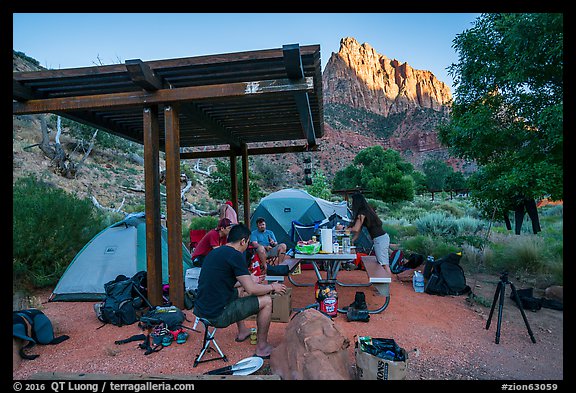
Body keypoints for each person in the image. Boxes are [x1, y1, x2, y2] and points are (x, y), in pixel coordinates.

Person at [194, 223, 287, 358]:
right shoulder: (236, 255)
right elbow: (252, 290)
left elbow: (225, 280)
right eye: (247, 242)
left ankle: (242, 331)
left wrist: (250, 280)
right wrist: (273, 287)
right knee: (266, 301)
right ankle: (262, 347)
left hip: (201, 308)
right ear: (243, 241)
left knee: (241, 290)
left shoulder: (215, 252)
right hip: (216, 315)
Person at [347, 192, 391, 275]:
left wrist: (345, 229)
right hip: (381, 238)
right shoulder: (366, 211)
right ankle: (385, 283)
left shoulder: (362, 214)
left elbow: (356, 229)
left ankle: (388, 285)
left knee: (384, 264)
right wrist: (352, 240)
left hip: (380, 239)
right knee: (382, 262)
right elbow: (358, 230)